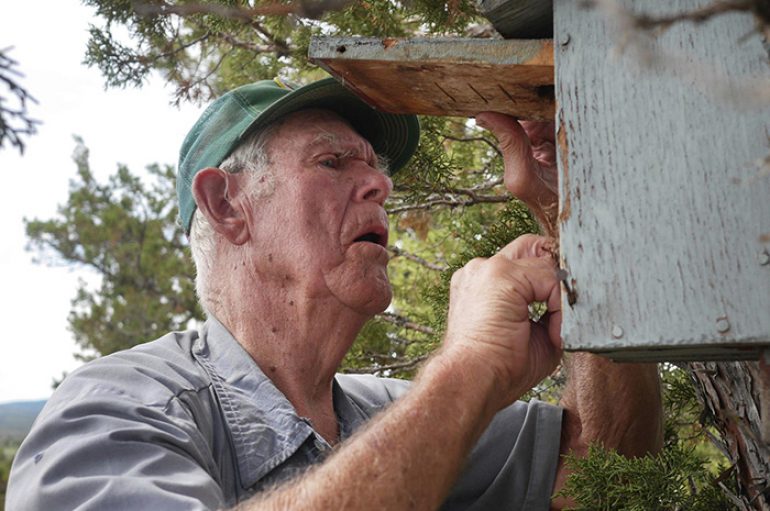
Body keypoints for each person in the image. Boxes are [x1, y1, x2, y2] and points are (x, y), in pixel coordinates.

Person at [7, 77, 662, 510]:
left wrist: (569, 219)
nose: (379, 184)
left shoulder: (383, 413)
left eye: (375, 168)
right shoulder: (116, 406)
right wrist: (471, 365)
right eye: (333, 163)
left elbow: (605, 472)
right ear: (225, 204)